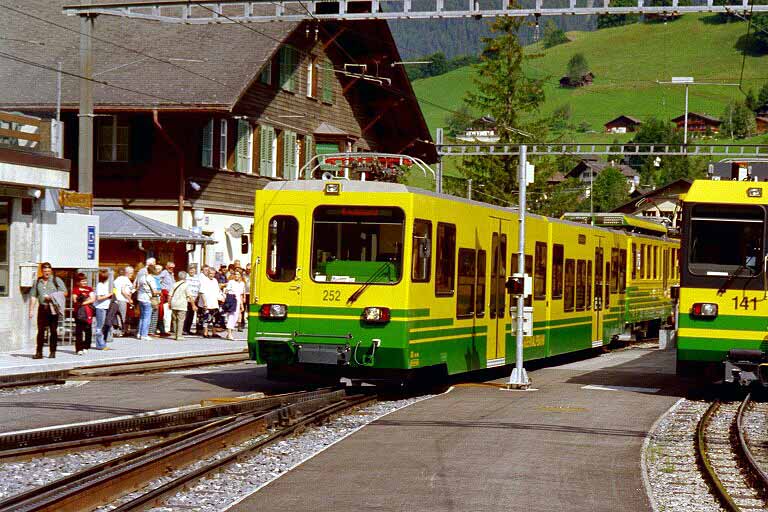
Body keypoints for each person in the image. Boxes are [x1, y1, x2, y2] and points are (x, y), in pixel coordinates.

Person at [29, 262, 67, 359]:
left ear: (51, 271)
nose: (47, 273)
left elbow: (65, 293)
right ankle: (39, 353)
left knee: (53, 330)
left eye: (49, 271)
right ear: (42, 271)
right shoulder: (38, 281)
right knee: (40, 331)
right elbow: (33, 296)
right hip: (42, 308)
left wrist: (52, 296)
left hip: (52, 308)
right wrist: (31, 310)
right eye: (45, 271)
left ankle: (53, 351)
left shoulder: (56, 280)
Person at [72, 273, 95, 355]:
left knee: (88, 330)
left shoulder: (89, 289)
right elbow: (75, 300)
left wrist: (83, 302)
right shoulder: (75, 289)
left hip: (88, 312)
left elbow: (92, 299)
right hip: (78, 312)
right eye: (82, 281)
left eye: (85, 281)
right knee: (79, 331)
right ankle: (79, 348)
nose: (85, 282)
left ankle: (86, 346)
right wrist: (86, 300)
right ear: (78, 282)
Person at [136, 263, 159, 340]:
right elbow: (155, 291)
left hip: (140, 298)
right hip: (147, 299)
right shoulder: (151, 279)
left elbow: (138, 287)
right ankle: (144, 335)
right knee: (147, 317)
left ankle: (139, 333)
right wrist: (159, 292)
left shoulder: (142, 277)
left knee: (142, 317)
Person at [198, 265, 222, 338]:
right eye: (210, 273)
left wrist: (221, 298)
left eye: (213, 273)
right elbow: (202, 292)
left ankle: (214, 332)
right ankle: (205, 332)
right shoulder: (204, 280)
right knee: (206, 318)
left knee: (214, 318)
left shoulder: (215, 281)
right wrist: (205, 303)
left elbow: (217, 291)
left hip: (214, 302)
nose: (212, 275)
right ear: (208, 273)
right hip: (207, 302)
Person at [223, 270, 246, 340]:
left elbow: (241, 294)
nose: (236, 276)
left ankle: (230, 333)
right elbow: (226, 290)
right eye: (235, 274)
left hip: (238, 301)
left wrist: (242, 305)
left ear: (240, 276)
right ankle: (229, 333)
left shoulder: (242, 284)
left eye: (238, 274)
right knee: (231, 316)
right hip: (232, 300)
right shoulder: (231, 282)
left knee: (236, 317)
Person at [113, 266, 134, 337]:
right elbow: (123, 291)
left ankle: (117, 331)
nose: (132, 274)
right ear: (126, 273)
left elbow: (114, 290)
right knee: (122, 316)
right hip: (122, 300)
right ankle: (121, 331)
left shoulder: (116, 280)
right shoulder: (125, 280)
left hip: (116, 299)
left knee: (117, 316)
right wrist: (129, 299)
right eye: (131, 273)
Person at [169, 271, 189, 340]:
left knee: (174, 319)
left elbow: (170, 295)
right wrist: (193, 304)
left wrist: (169, 303)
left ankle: (175, 334)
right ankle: (179, 335)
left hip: (174, 303)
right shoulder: (186, 285)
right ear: (185, 277)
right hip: (182, 304)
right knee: (181, 320)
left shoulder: (174, 284)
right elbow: (189, 295)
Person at [183, 264, 200, 335]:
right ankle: (184, 329)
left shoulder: (197, 278)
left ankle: (188, 329)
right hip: (187, 299)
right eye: (190, 269)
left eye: (193, 269)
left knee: (191, 315)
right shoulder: (186, 277)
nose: (192, 271)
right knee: (186, 315)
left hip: (195, 298)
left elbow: (199, 287)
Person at [159, 261, 175, 334]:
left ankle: (167, 329)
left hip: (170, 295)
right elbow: (159, 281)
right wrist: (162, 289)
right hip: (165, 295)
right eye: (170, 267)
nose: (171, 269)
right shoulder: (164, 272)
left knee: (168, 313)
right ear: (166, 267)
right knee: (165, 312)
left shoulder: (172, 274)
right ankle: (164, 329)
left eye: (173, 267)